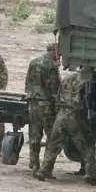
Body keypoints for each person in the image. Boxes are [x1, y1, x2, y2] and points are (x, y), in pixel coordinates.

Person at [36, 67, 96, 185]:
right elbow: (88, 101)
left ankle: (44, 171)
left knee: (53, 145)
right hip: (76, 116)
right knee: (87, 145)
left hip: (61, 115)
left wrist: (58, 112)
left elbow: (58, 97)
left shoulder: (66, 78)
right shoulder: (87, 81)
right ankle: (90, 175)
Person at [24, 41, 61, 173]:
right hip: (45, 105)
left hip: (33, 103)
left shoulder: (33, 62)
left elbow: (28, 82)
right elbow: (53, 88)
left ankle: (34, 164)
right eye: (59, 53)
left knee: (34, 135)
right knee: (52, 136)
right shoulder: (51, 65)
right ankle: (46, 169)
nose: (60, 56)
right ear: (54, 51)